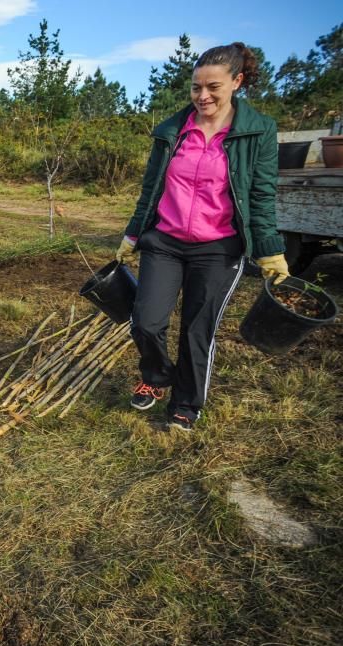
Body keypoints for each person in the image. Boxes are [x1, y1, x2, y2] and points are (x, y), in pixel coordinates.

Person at [116, 42, 289, 433]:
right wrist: (132, 235)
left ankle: (187, 402)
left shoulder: (257, 131)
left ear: (237, 82)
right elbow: (150, 189)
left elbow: (261, 197)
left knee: (198, 330)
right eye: (196, 87)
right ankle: (158, 376)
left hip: (218, 248)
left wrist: (270, 252)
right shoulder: (172, 131)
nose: (203, 96)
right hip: (165, 242)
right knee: (145, 322)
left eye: (213, 86)